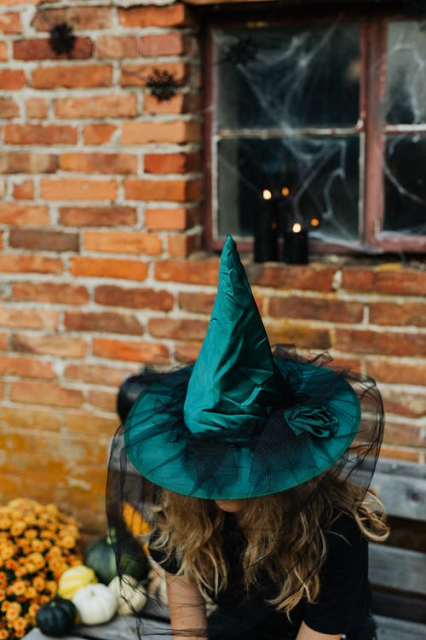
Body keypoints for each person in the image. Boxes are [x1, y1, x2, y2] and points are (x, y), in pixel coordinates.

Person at [107, 236, 389, 640]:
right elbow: (188, 634)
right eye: (208, 454)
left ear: (274, 455)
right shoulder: (181, 511)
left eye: (237, 457)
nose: (217, 472)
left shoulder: (335, 527)